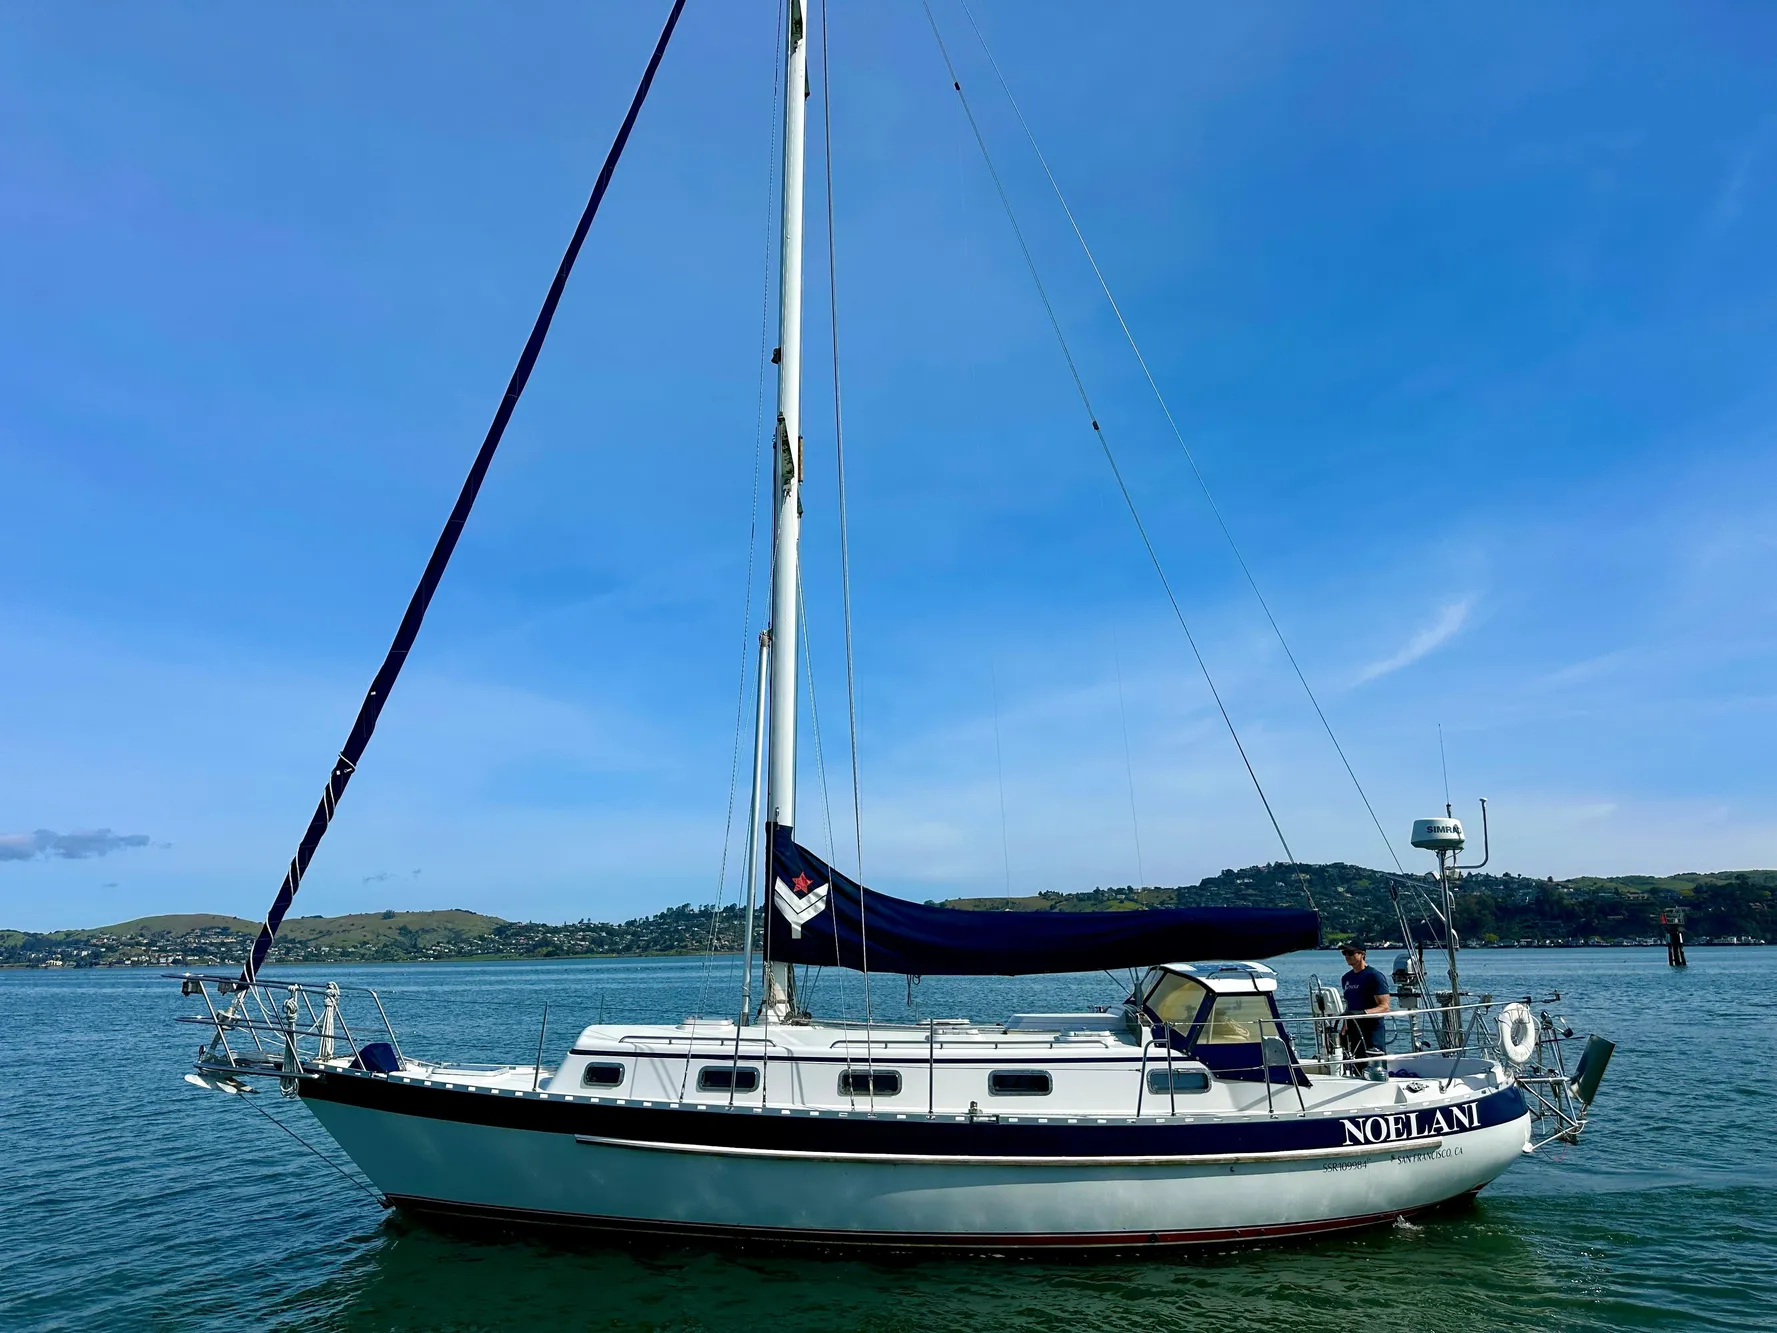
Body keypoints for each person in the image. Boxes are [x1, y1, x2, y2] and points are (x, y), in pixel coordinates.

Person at [1339, 942, 1392, 1078]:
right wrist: (1345, 1025)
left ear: (1362, 954)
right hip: (1354, 1027)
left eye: (1351, 953)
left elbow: (1385, 1006)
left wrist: (1363, 1013)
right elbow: (1349, 1004)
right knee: (1357, 1063)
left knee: (1375, 1065)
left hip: (1372, 1029)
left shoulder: (1374, 976)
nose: (1347, 956)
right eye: (1344, 953)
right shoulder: (1346, 978)